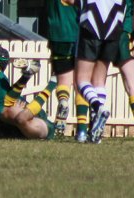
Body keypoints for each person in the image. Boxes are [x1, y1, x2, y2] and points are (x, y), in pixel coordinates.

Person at [63, 0, 134, 143]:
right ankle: (96, 133)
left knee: (81, 80)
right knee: (99, 81)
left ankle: (98, 107)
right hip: (114, 27)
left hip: (91, 24)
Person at [81, 0, 134, 143]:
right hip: (123, 34)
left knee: (97, 81)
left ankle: (94, 128)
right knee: (131, 83)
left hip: (105, 33)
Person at [45, 0, 90, 140]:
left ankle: (63, 101)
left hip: (57, 34)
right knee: (81, 83)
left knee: (63, 80)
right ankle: (82, 129)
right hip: (78, 33)